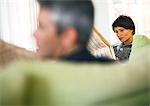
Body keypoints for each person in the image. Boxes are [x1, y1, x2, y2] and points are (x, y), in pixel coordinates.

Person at [34, 0, 114, 63]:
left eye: (41, 27)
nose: (34, 34)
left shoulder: (49, 79)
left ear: (68, 37)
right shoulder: (112, 70)